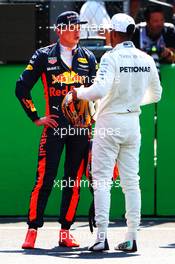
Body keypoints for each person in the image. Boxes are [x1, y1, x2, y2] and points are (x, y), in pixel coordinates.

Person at [73, 13, 162, 252]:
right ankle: (132, 237)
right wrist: (130, 101)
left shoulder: (111, 57)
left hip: (109, 122)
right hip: (132, 122)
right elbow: (156, 95)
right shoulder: (146, 58)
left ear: (114, 33)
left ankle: (101, 237)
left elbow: (99, 90)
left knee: (102, 180)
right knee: (131, 182)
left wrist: (77, 93)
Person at [15, 11, 96, 249]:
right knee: (44, 179)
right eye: (72, 26)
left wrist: (93, 121)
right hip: (54, 129)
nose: (77, 30)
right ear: (59, 30)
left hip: (81, 130)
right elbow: (21, 88)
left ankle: (65, 231)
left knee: (72, 181)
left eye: (79, 26)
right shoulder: (43, 55)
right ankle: (32, 229)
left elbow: (96, 93)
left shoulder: (89, 57)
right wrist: (35, 117)